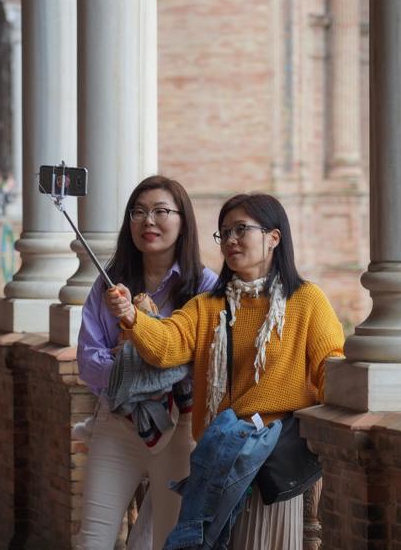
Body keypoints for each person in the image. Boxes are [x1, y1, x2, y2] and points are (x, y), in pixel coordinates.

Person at [106, 193, 345, 549]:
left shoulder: (307, 300)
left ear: (274, 237)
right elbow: (167, 345)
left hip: (274, 459)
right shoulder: (207, 306)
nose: (231, 240)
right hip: (218, 461)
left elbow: (331, 367)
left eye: (241, 230)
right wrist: (131, 317)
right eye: (224, 233)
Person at [76, 176, 219, 550]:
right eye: (138, 212)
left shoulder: (204, 286)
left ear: (183, 220)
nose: (148, 221)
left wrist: (128, 357)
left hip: (178, 426)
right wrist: (151, 366)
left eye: (160, 211)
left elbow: (198, 364)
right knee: (93, 537)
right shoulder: (110, 284)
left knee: (168, 539)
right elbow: (89, 363)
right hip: (117, 421)